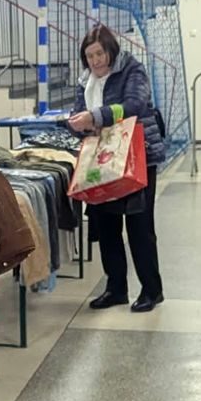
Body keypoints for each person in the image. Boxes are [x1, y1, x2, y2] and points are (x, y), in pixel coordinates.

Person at [68, 25, 167, 313]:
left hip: (137, 157)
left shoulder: (132, 70)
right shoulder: (84, 80)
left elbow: (134, 105)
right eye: (89, 56)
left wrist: (95, 116)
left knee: (139, 227)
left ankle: (152, 290)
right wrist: (77, 124)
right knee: (106, 226)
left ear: (111, 50)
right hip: (101, 161)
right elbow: (78, 113)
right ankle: (116, 288)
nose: (95, 61)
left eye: (99, 53)